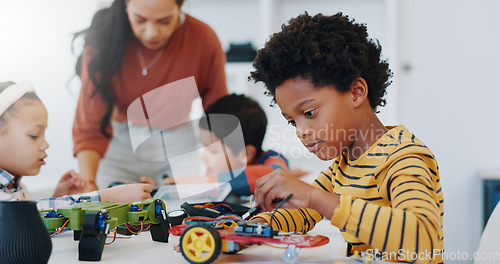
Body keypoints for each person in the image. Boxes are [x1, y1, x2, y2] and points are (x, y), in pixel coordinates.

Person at [249, 13, 444, 263]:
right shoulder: (346, 163)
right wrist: (253, 224)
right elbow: (303, 213)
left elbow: (423, 236)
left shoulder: (403, 158)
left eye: (309, 113)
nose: (301, 131)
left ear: (356, 92)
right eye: (292, 121)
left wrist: (314, 196)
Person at [72, 0, 228, 192]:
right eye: (139, 20)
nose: (151, 32)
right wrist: (89, 184)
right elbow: (90, 127)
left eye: (165, 21)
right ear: (125, 7)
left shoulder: (204, 38)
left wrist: (215, 177)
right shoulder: (101, 42)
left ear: (180, 7)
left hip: (177, 143)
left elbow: (218, 116)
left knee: (183, 213)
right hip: (117, 145)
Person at [0, 81, 153, 209]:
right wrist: (106, 197)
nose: (45, 144)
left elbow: (34, 222)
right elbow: (22, 219)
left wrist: (58, 197)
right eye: (34, 135)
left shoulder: (15, 187)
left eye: (44, 135)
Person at [147, 93, 291, 199]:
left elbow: (277, 175)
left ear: (246, 154)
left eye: (212, 150)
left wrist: (205, 183)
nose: (202, 157)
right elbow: (205, 192)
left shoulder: (273, 159)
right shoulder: (215, 175)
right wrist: (162, 191)